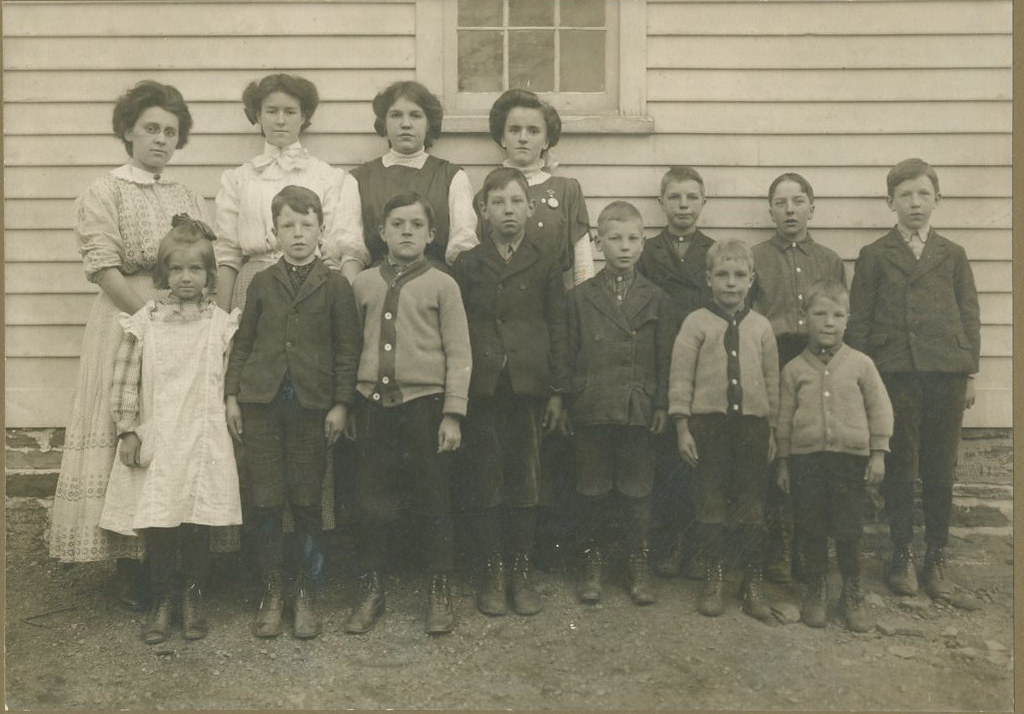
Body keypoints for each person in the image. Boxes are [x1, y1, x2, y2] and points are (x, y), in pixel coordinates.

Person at [48, 81, 207, 609]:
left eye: (170, 131)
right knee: (129, 428)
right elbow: (103, 266)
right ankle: (127, 562)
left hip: (180, 323)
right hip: (126, 319)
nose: (161, 139)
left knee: (172, 430)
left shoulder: (185, 195)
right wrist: (147, 319)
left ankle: (173, 557)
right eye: (151, 129)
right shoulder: (105, 190)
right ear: (128, 133)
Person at [213, 73, 362, 552]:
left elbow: (347, 246)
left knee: (307, 429)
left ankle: (309, 551)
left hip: (318, 295)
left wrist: (342, 300)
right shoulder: (238, 178)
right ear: (256, 116)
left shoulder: (330, 177)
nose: (280, 120)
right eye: (271, 110)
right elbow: (228, 254)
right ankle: (255, 554)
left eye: (291, 111)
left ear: (306, 118)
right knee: (255, 421)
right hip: (256, 291)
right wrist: (221, 325)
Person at [224, 186, 362, 639]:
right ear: (274, 231)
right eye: (288, 225)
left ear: (322, 231)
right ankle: (271, 593)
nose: (298, 234)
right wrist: (231, 397)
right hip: (262, 403)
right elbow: (242, 344)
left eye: (307, 225)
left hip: (311, 406)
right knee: (265, 500)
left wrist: (341, 405)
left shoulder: (337, 284)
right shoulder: (260, 283)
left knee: (305, 501)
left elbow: (347, 351)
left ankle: (304, 593)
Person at [99, 216, 243, 644]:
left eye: (195, 270)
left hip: (203, 436)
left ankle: (193, 596)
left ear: (209, 275)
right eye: (177, 269)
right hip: (159, 436)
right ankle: (162, 597)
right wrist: (127, 430)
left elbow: (230, 376)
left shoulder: (221, 323)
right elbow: (125, 379)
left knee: (196, 516)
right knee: (161, 519)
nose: (185, 278)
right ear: (163, 273)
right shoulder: (145, 321)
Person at [846, 158, 980, 601]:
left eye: (923, 194)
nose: (915, 203)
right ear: (890, 202)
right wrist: (863, 381)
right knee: (900, 466)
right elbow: (859, 324)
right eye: (905, 195)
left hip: (946, 373)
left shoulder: (953, 255)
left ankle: (936, 557)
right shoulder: (874, 256)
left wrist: (970, 371)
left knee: (940, 467)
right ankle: (900, 553)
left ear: (937, 199)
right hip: (895, 375)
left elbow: (969, 315)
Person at [344, 192, 472, 635]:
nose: (406, 232)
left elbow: (459, 352)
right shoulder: (362, 283)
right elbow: (349, 348)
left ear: (432, 235)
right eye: (397, 224)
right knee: (371, 498)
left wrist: (453, 413)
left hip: (426, 407)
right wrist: (348, 402)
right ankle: (371, 587)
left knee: (434, 495)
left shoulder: (443, 284)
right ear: (381, 232)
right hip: (373, 406)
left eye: (417, 225)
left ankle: (439, 586)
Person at [480, 89, 595, 570]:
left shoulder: (564, 189)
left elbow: (583, 265)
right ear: (501, 137)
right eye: (514, 130)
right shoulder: (488, 188)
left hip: (552, 325)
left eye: (533, 130)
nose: (523, 138)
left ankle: (545, 551)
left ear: (548, 138)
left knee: (547, 447)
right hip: (500, 336)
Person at [452, 168, 568, 617]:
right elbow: (458, 332)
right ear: (482, 211)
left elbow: (558, 326)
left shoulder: (545, 261)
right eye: (498, 203)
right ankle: (491, 571)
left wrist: (557, 391)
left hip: (528, 387)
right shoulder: (468, 264)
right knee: (485, 479)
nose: (508, 211)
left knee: (525, 480)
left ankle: (521, 571)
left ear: (531, 208)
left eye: (517, 202)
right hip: (482, 387)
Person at [565, 201, 675, 606]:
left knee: (637, 489)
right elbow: (568, 353)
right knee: (591, 487)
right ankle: (592, 563)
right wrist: (569, 398)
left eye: (632, 239)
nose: (624, 247)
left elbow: (665, 358)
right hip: (593, 406)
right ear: (598, 242)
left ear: (643, 243)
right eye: (614, 238)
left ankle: (637, 562)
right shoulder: (580, 298)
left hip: (638, 408)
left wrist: (662, 404)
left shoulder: (657, 298)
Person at [669, 240, 779, 622]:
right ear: (708, 279)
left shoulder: (761, 327)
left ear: (751, 280)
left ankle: (752, 581)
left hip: (752, 426)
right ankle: (713, 576)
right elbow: (681, 379)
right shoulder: (695, 323)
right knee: (709, 500)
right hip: (708, 427)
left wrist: (773, 429)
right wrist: (683, 427)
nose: (730, 284)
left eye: (739, 276)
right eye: (722, 275)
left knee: (751, 503)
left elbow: (771, 381)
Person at [776, 281, 893, 631]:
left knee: (848, 528)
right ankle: (817, 587)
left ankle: (852, 590)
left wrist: (878, 454)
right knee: (810, 527)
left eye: (837, 315)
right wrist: (783, 461)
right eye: (820, 314)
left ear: (847, 320)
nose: (829, 322)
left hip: (849, 461)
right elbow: (783, 420)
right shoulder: (794, 370)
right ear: (804, 319)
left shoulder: (861, 364)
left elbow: (880, 410)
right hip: (806, 461)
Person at [750, 173, 846, 585]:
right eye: (781, 202)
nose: (790, 210)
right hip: (771, 360)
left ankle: (811, 550)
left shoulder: (829, 260)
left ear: (812, 207)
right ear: (769, 210)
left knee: (811, 452)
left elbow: (842, 321)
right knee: (775, 453)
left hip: (817, 361)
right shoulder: (755, 258)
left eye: (798, 201)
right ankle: (777, 546)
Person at [637, 166, 716, 581]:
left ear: (704, 203)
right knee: (667, 460)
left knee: (700, 460)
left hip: (705, 368)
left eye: (691, 197)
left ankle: (697, 549)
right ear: (662, 203)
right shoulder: (647, 253)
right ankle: (664, 545)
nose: (683, 205)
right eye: (675, 198)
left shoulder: (715, 252)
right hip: (663, 362)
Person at [339, 81, 478, 280]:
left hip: (434, 287)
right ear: (384, 123)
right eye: (396, 115)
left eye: (415, 115)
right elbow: (351, 252)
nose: (406, 124)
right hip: (377, 287)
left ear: (429, 122)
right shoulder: (358, 179)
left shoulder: (452, 177)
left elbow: (462, 251)